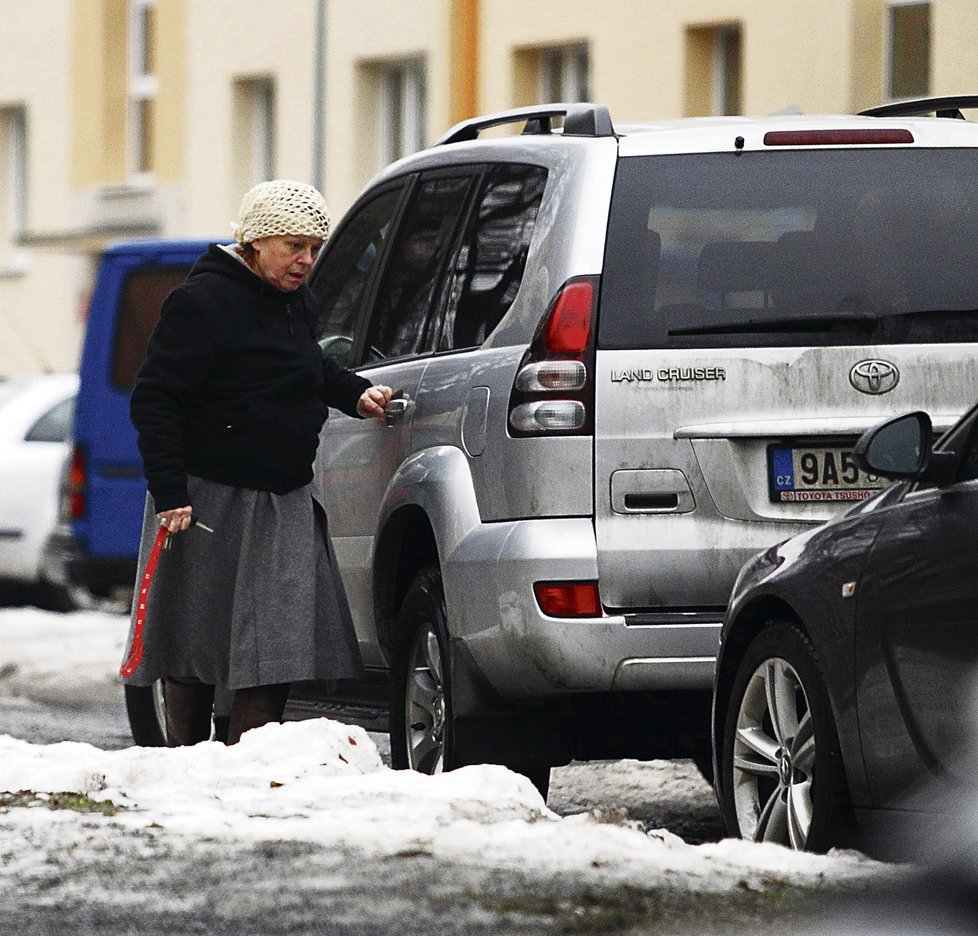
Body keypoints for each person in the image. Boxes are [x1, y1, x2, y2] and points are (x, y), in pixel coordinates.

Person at [120, 179, 392, 746]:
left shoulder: (298, 302)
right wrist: (171, 493)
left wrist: (351, 391)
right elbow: (156, 400)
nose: (307, 260)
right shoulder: (199, 303)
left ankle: (251, 769)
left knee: (277, 648)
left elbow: (301, 368)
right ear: (255, 242)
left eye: (314, 248)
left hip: (284, 495)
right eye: (295, 246)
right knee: (194, 643)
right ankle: (188, 764)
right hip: (205, 498)